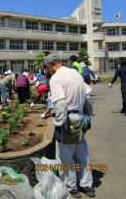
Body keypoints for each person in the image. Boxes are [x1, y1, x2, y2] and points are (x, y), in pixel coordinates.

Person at [44, 54, 95, 198]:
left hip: (67, 119)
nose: (46, 71)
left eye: (46, 68)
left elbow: (60, 104)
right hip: (80, 116)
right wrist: (87, 116)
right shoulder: (75, 73)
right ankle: (87, 185)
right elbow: (87, 97)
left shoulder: (56, 78)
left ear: (50, 65)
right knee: (82, 154)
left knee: (65, 157)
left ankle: (72, 187)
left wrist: (58, 124)